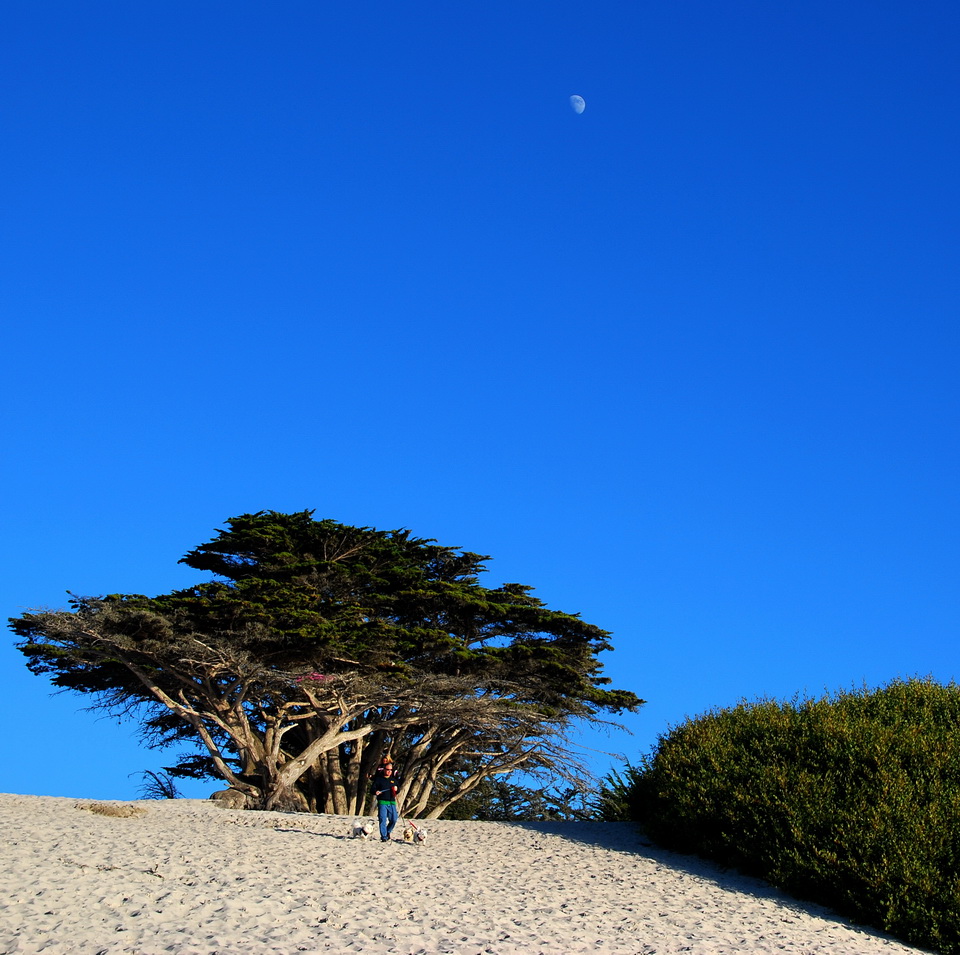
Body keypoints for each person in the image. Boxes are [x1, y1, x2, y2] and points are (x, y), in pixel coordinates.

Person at [370, 760, 401, 842]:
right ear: (384, 769)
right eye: (387, 770)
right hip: (382, 802)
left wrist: (396, 789)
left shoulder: (394, 780)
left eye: (391, 770)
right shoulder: (379, 779)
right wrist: (376, 791)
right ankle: (383, 836)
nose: (389, 771)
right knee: (382, 819)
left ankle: (388, 832)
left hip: (392, 802)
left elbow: (398, 789)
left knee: (394, 819)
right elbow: (372, 789)